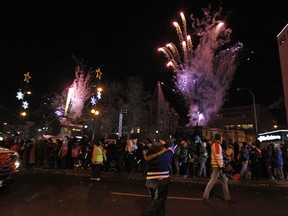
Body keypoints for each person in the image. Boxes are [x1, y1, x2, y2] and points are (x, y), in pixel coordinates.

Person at [142, 141, 173, 216]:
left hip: (150, 181)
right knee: (159, 202)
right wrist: (166, 144)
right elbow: (171, 151)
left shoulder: (148, 154)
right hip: (161, 181)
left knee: (156, 201)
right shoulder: (164, 155)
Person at [202, 134, 232, 203]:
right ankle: (205, 196)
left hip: (218, 165)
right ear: (219, 138)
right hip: (217, 166)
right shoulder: (216, 145)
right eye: (221, 137)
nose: (222, 139)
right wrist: (221, 166)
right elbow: (217, 156)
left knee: (224, 181)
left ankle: (227, 198)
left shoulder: (216, 144)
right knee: (213, 181)